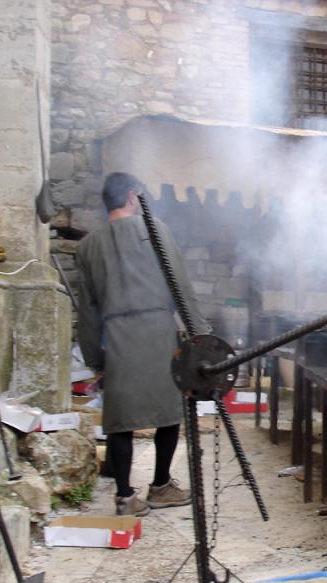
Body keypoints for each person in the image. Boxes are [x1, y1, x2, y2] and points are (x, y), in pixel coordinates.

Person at [76, 172, 206, 515]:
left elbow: (86, 311)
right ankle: (161, 485)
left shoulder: (87, 246)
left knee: (120, 420)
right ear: (133, 197)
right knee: (168, 412)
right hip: (158, 332)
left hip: (116, 337)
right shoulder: (156, 230)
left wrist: (95, 359)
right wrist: (202, 336)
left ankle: (125, 497)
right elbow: (181, 286)